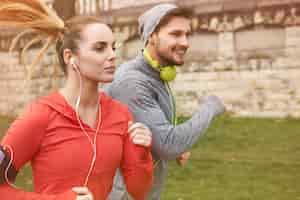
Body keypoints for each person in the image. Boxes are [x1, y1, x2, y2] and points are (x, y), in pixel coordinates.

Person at [0, 1, 153, 200]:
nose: (112, 55)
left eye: (113, 47)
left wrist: (142, 153)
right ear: (70, 57)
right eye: (100, 48)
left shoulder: (120, 114)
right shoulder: (40, 116)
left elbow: (138, 191)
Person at [106, 3, 226, 200]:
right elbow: (169, 144)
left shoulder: (156, 74)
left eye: (187, 34)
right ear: (151, 36)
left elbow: (152, 135)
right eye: (176, 34)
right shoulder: (133, 82)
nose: (185, 42)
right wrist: (210, 107)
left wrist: (168, 144)